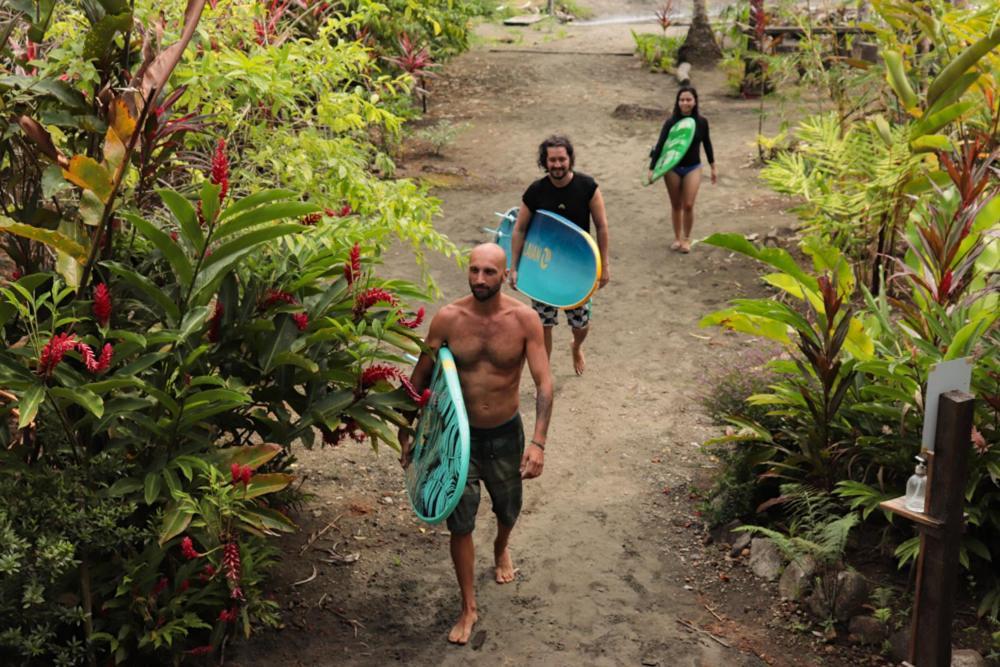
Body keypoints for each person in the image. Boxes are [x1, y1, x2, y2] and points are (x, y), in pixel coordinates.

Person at [399, 243, 553, 646]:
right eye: (474, 271)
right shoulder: (450, 318)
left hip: (505, 434)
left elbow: (544, 384)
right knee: (460, 519)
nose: (480, 279)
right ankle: (468, 606)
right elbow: (420, 378)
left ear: (504, 275)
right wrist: (406, 428)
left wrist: (537, 442)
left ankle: (502, 547)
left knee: (507, 509)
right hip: (457, 438)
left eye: (489, 272)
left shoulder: (524, 320)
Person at [509, 135, 610, 376]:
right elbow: (520, 229)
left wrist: (604, 265)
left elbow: (602, 226)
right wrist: (515, 267)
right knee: (544, 325)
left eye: (561, 159)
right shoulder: (535, 191)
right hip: (543, 267)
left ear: (570, 159)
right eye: (551, 160)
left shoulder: (588, 187)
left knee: (580, 325)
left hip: (579, 270)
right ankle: (545, 375)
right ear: (544, 161)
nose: (557, 165)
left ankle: (576, 346)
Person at [648, 86, 717, 254]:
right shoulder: (671, 122)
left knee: (688, 204)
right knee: (676, 204)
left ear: (694, 102)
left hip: (693, 167)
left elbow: (707, 144)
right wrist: (652, 169)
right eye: (682, 100)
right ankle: (677, 238)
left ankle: (687, 238)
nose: (685, 103)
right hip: (672, 167)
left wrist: (713, 166)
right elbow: (660, 145)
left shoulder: (701, 122)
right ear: (677, 102)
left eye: (688, 99)